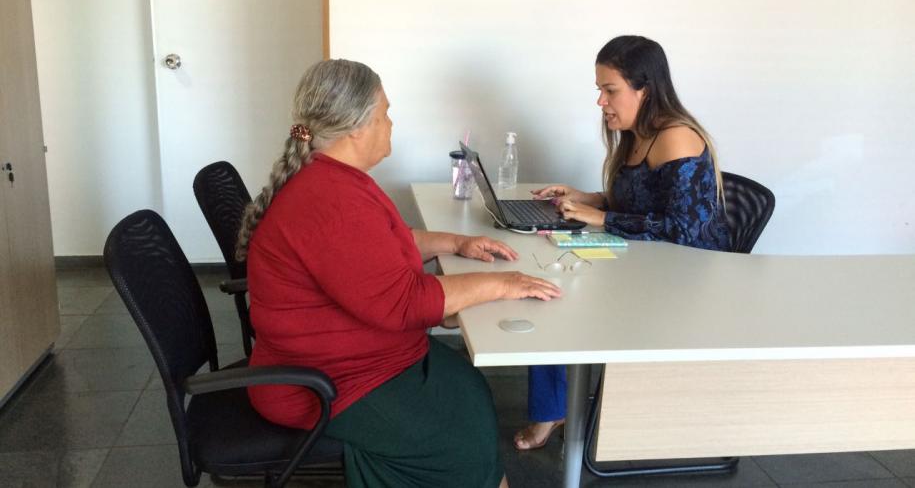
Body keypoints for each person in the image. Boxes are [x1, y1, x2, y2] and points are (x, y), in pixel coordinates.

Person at [236, 59, 560, 487]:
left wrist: (455, 243)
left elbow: (380, 246)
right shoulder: (330, 201)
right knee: (457, 438)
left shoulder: (335, 179)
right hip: (323, 384)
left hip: (353, 359)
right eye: (384, 112)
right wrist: (504, 283)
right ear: (356, 127)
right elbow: (404, 303)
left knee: (468, 391)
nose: (391, 122)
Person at [513, 35, 730, 450]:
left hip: (682, 280)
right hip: (645, 264)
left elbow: (685, 232)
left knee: (556, 294)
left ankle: (558, 410)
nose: (601, 102)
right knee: (546, 285)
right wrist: (586, 198)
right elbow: (642, 199)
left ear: (644, 88)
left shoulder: (675, 137)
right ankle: (554, 407)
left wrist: (603, 217)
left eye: (610, 90)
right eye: (599, 90)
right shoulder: (637, 131)